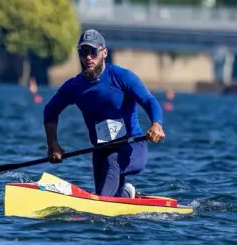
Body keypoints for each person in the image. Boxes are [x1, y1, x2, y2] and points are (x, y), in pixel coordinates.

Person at [43, 29, 165, 198]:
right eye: (83, 52)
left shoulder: (122, 77)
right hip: (102, 150)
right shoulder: (74, 86)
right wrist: (53, 144)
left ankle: (104, 202)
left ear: (104, 53)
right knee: (109, 190)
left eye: (93, 52)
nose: (88, 57)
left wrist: (156, 124)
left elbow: (149, 101)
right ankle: (125, 195)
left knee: (111, 166)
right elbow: (50, 110)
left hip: (132, 145)